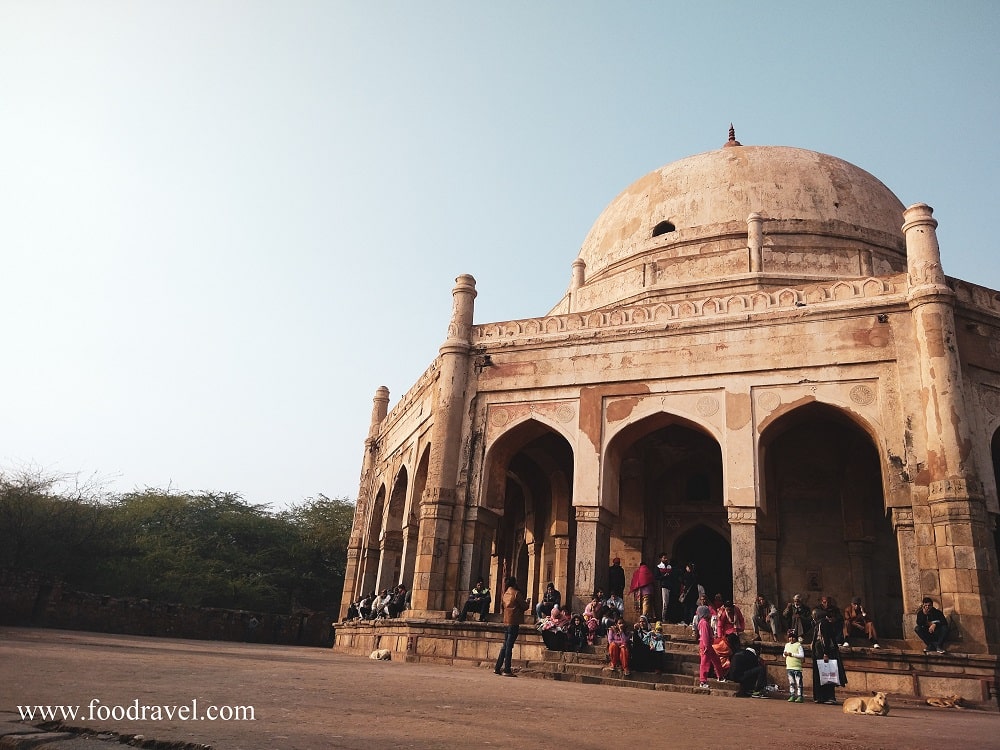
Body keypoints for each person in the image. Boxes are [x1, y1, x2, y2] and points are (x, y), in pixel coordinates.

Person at [494, 576, 528, 676]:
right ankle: (507, 669)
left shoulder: (506, 594)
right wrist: (528, 602)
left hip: (506, 621)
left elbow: (502, 606)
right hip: (514, 621)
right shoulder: (516, 593)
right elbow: (524, 606)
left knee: (505, 645)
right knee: (509, 646)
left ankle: (497, 667)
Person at [811, 608, 847, 704]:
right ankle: (820, 696)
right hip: (818, 652)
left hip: (824, 653)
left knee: (827, 674)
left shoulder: (824, 623)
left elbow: (826, 639)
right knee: (820, 675)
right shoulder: (819, 624)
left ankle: (829, 697)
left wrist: (826, 653)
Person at [695, 604, 724, 689]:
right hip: (705, 645)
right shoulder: (703, 623)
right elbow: (705, 636)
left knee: (716, 660)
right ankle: (702, 681)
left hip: (708, 644)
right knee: (705, 663)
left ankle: (720, 676)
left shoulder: (703, 622)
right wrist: (707, 646)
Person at [782, 628, 805, 703]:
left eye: (793, 637)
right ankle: (792, 695)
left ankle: (800, 696)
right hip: (789, 666)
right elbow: (784, 654)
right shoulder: (787, 645)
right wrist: (785, 654)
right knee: (791, 682)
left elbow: (802, 655)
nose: (791, 639)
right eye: (790, 637)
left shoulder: (798, 645)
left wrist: (792, 654)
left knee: (799, 683)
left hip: (797, 667)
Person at [655, 553, 674, 623]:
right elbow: (656, 577)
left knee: (670, 603)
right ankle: (663, 618)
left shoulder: (669, 566)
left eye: (666, 558)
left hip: (670, 586)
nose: (666, 559)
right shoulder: (659, 567)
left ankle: (669, 618)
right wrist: (664, 576)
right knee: (665, 603)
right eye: (664, 558)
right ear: (661, 559)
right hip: (664, 586)